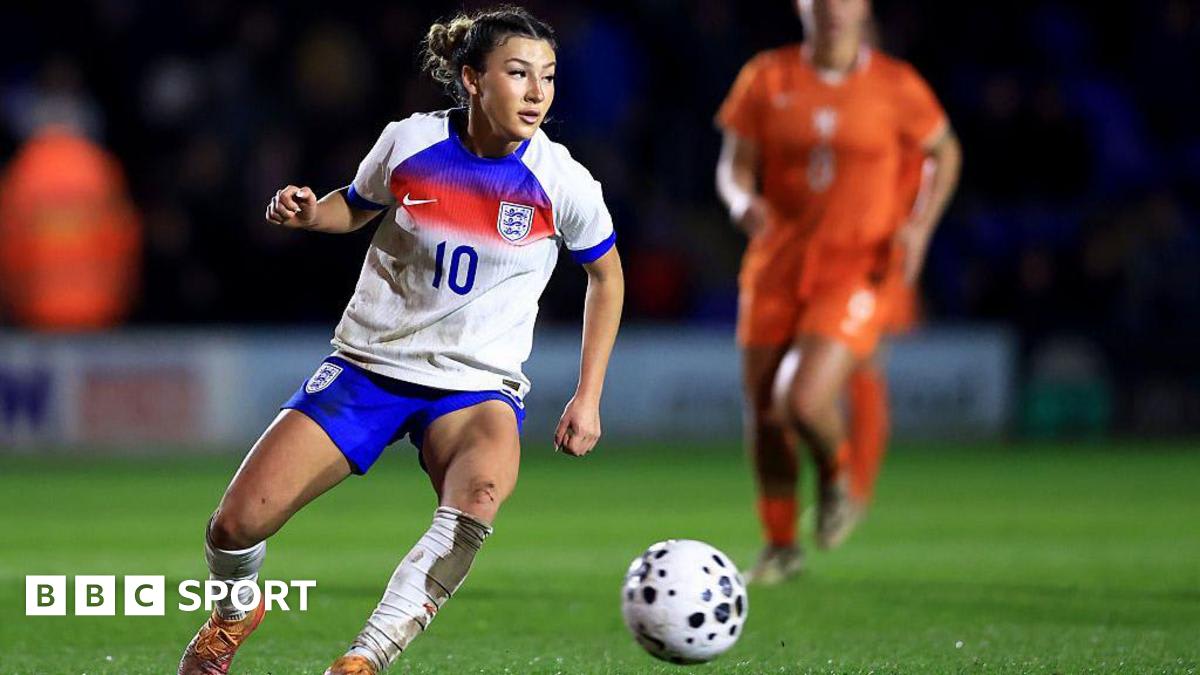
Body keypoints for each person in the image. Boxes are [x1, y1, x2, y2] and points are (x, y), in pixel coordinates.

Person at [177, 7, 624, 674]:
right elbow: (354, 206)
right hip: (368, 368)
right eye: (518, 73)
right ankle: (235, 612)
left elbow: (607, 278)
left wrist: (589, 396)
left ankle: (364, 658)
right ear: (472, 79)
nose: (537, 92)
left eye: (548, 77)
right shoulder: (410, 142)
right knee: (234, 526)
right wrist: (311, 212)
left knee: (473, 504)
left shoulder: (564, 182)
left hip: (477, 388)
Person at [715, 0, 960, 584]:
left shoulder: (895, 85)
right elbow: (734, 166)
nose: (831, 8)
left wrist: (921, 226)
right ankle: (780, 545)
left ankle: (839, 476)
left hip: (856, 267)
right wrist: (741, 200)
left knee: (800, 399)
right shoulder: (766, 76)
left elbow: (945, 152)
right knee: (766, 414)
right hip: (777, 263)